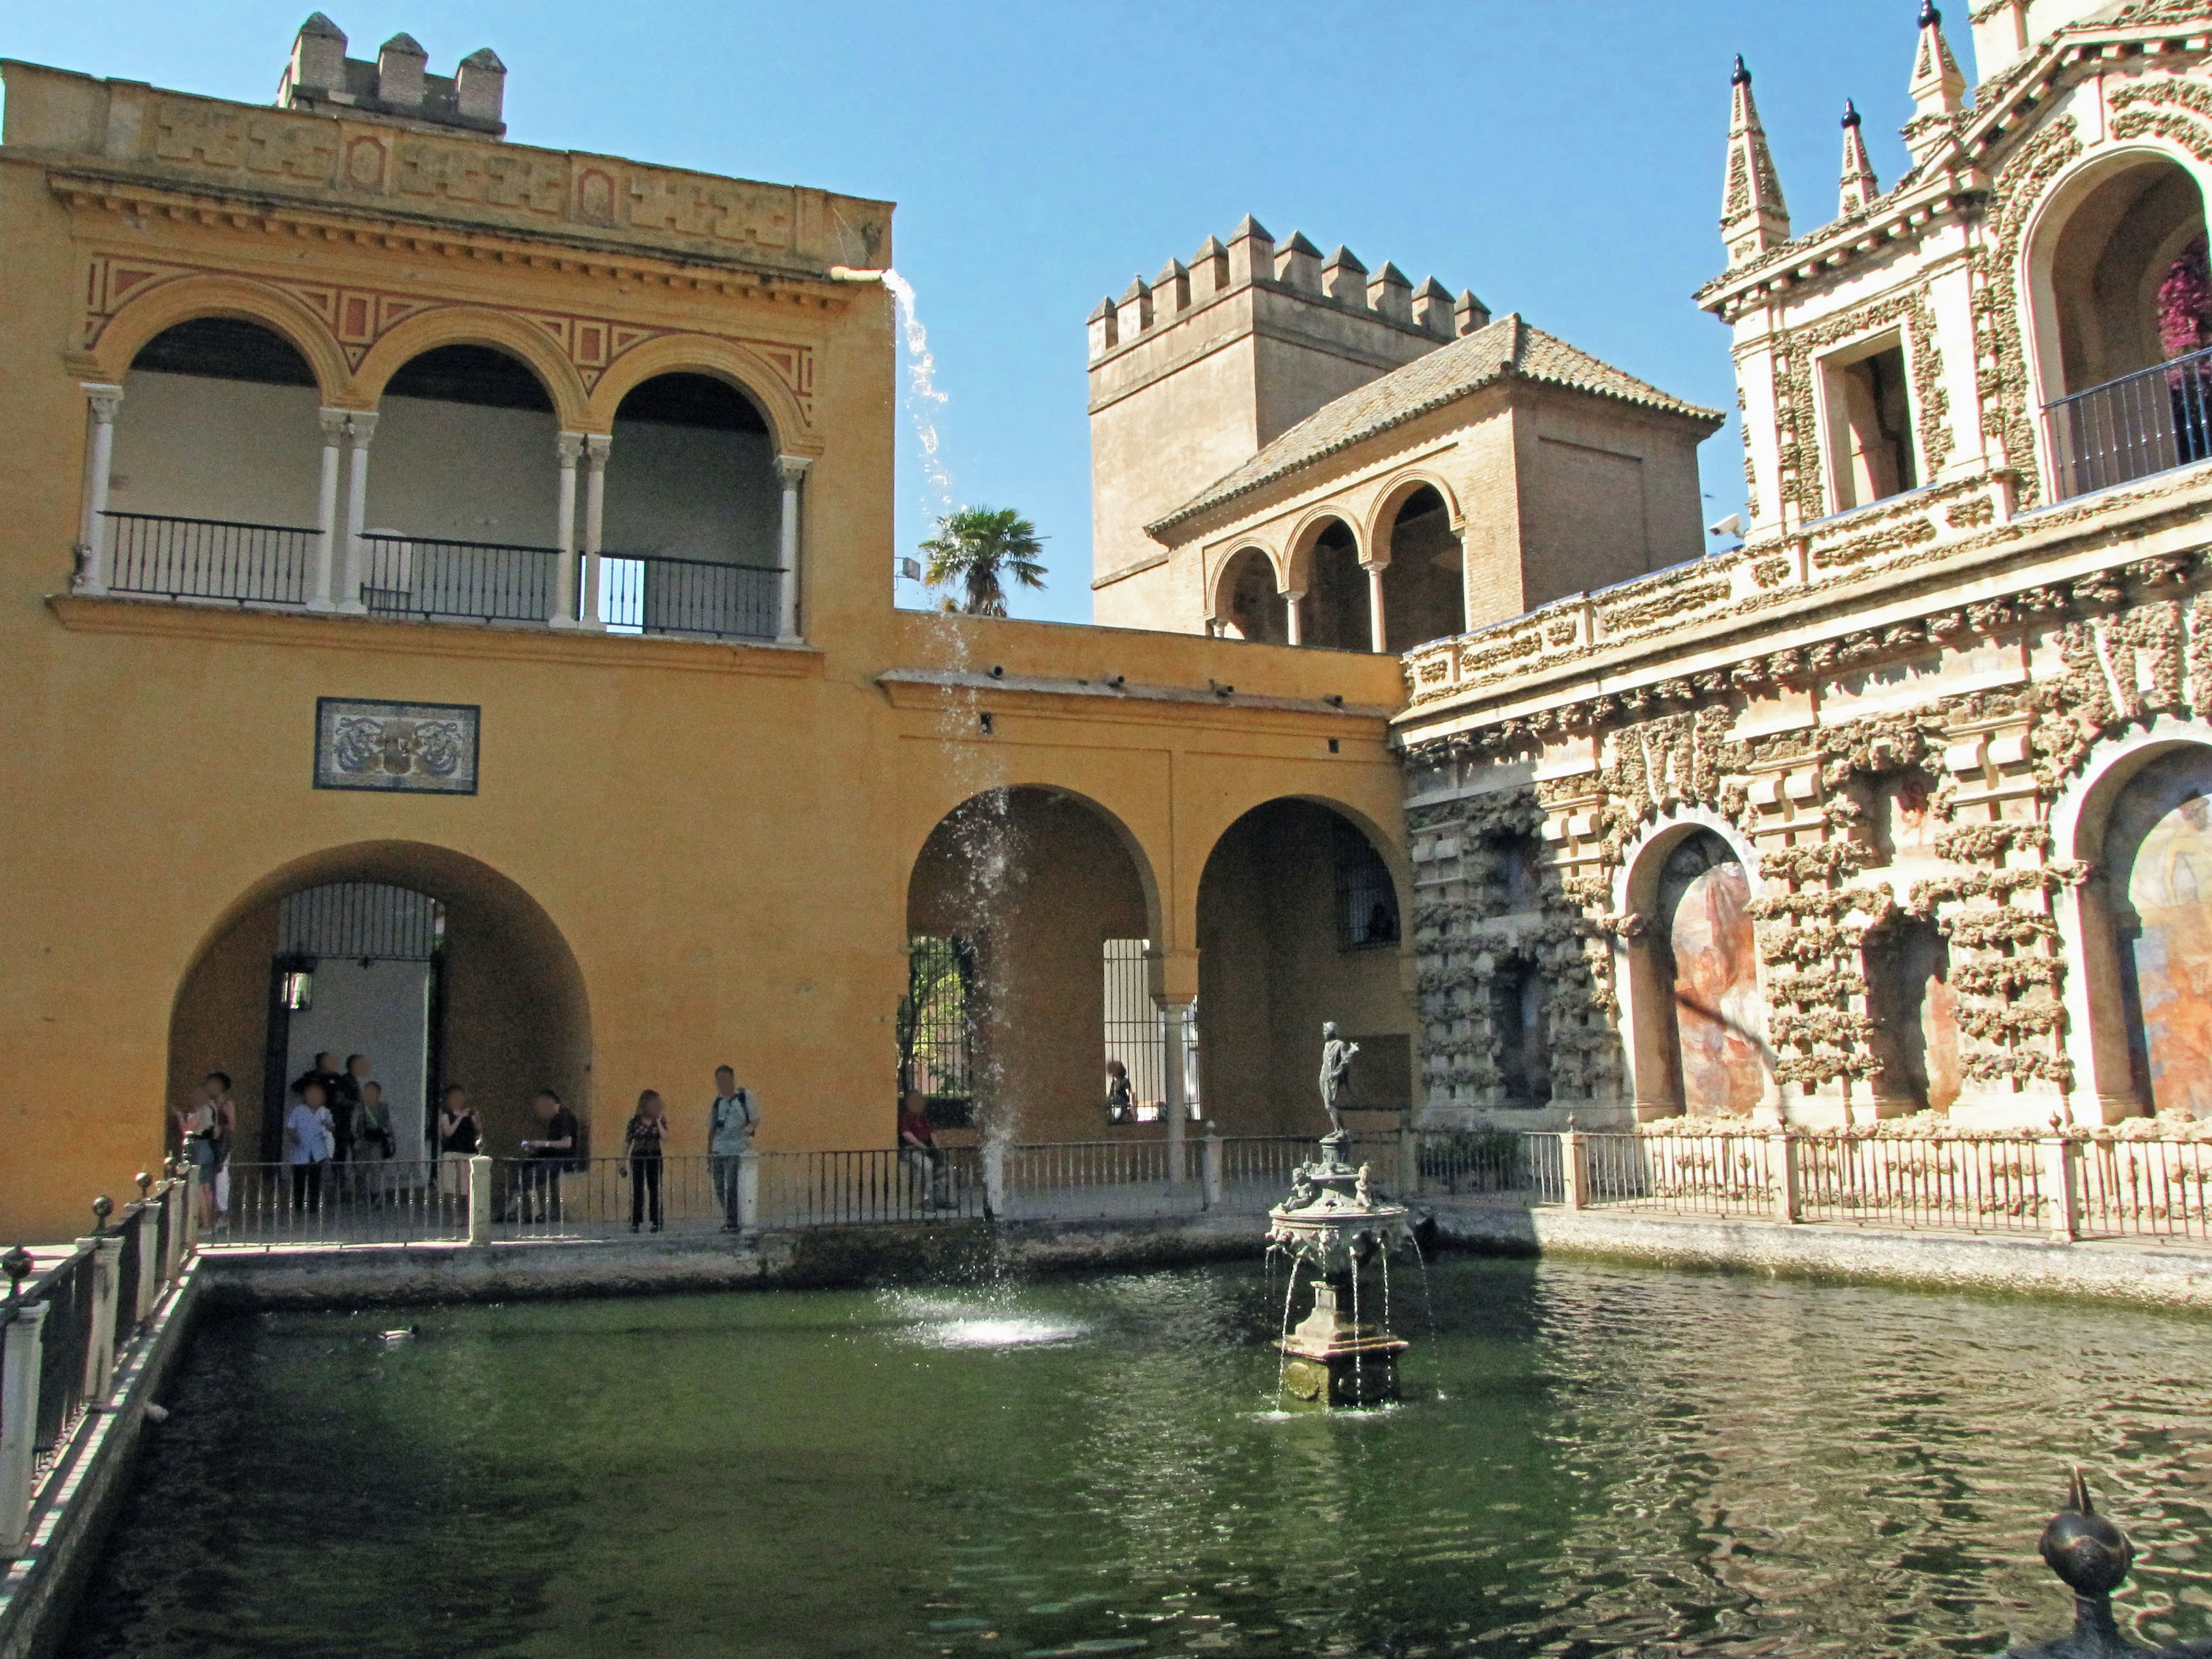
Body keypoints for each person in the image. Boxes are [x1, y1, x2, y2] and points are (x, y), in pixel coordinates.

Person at [517, 1089, 578, 1224]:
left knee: (530, 1175)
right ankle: (515, 1210)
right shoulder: (554, 1120)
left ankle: (536, 1213)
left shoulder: (565, 1118)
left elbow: (567, 1144)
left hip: (564, 1160)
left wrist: (542, 1144)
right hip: (552, 1157)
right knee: (523, 1166)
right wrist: (535, 1148)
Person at [708, 1066, 756, 1230]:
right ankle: (730, 1217)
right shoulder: (718, 1101)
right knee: (720, 1186)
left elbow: (755, 1119)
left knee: (732, 1186)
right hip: (719, 1149)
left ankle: (732, 1221)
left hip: (737, 1149)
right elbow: (712, 1129)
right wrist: (709, 1153)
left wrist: (749, 1129)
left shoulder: (744, 1096)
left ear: (732, 1079)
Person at [620, 1089, 669, 1233]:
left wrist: (659, 1122)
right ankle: (636, 1221)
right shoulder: (634, 1122)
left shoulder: (660, 1120)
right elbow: (628, 1142)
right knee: (638, 1189)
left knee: (655, 1189)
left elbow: (666, 1138)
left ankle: (656, 1221)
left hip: (655, 1155)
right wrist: (622, 1161)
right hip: (639, 1155)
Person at [283, 1080, 336, 1213]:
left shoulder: (324, 1111)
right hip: (301, 1149)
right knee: (299, 1179)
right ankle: (299, 1206)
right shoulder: (299, 1110)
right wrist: (295, 1138)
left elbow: (333, 1128)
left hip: (318, 1151)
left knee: (315, 1179)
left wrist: (327, 1125)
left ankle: (314, 1206)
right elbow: (290, 1127)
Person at [173, 1086, 221, 1230]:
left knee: (199, 1188)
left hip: (199, 1148)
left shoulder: (201, 1109)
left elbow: (187, 1129)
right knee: (207, 1189)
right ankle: (211, 1222)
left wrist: (179, 1116)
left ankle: (205, 1223)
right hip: (208, 1148)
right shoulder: (214, 1108)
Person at [897, 1088, 948, 1210]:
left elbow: (932, 1133)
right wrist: (922, 1146)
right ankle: (927, 1201)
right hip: (910, 1150)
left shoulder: (923, 1116)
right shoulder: (906, 1116)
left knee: (943, 1167)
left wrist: (937, 1149)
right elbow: (906, 1134)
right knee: (927, 1166)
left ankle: (941, 1200)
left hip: (925, 1148)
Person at [202, 1071, 236, 1226]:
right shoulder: (209, 1103)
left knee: (222, 1176)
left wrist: (220, 1127)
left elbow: (232, 1126)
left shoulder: (227, 1104)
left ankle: (224, 1212)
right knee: (209, 1178)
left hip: (222, 1143)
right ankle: (212, 1212)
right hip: (210, 1143)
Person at [437, 1085, 479, 1199]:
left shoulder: (471, 1114)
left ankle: (466, 1207)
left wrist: (474, 1119)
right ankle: (453, 1208)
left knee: (467, 1185)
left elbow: (478, 1130)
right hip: (452, 1152)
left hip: (468, 1151)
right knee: (450, 1185)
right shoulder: (446, 1116)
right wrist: (459, 1118)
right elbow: (449, 1132)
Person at [1104, 1059, 1134, 1124]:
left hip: (1122, 1103)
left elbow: (1129, 1092)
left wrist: (1131, 1103)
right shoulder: (1114, 1081)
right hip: (1115, 1103)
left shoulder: (1125, 1081)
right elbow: (1111, 1093)